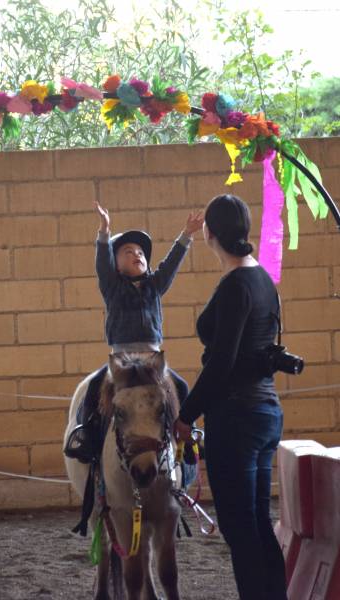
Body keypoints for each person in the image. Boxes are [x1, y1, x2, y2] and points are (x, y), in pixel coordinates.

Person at [174, 194, 288, 600]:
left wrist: (186, 414)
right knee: (258, 522)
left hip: (237, 419)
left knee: (242, 530)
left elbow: (221, 363)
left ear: (210, 233)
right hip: (264, 411)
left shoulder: (236, 285)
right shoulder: (262, 281)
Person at [65, 201, 204, 464]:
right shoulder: (112, 287)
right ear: (116, 265)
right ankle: (85, 436)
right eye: (128, 251)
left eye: (141, 252)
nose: (137, 254)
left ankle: (189, 435)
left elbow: (170, 265)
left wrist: (186, 235)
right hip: (121, 360)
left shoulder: (154, 286)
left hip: (152, 360)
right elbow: (102, 265)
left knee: (182, 386)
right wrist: (104, 233)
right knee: (94, 387)